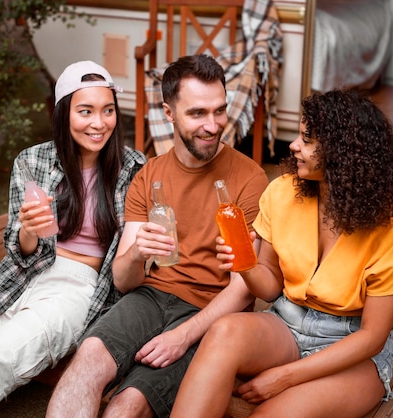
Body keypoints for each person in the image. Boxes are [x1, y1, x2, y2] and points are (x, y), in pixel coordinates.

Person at [0, 61, 146, 418]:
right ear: (64, 113)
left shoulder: (132, 168)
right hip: (25, 276)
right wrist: (29, 231)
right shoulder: (33, 161)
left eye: (108, 110)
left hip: (79, 288)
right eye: (85, 111)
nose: (99, 123)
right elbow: (22, 254)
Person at [171, 89, 393, 418]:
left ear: (341, 152)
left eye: (307, 139)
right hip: (286, 324)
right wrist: (245, 265)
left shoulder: (391, 226)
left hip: (351, 348)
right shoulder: (282, 193)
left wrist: (283, 377)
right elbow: (271, 286)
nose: (294, 146)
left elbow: (371, 336)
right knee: (224, 331)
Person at [46, 54, 270, 418]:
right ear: (169, 113)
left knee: (129, 402)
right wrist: (135, 254)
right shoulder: (149, 175)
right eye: (197, 113)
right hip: (149, 297)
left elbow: (242, 287)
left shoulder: (250, 179)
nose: (212, 125)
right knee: (88, 359)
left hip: (209, 312)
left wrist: (183, 336)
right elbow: (123, 280)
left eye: (219, 111)